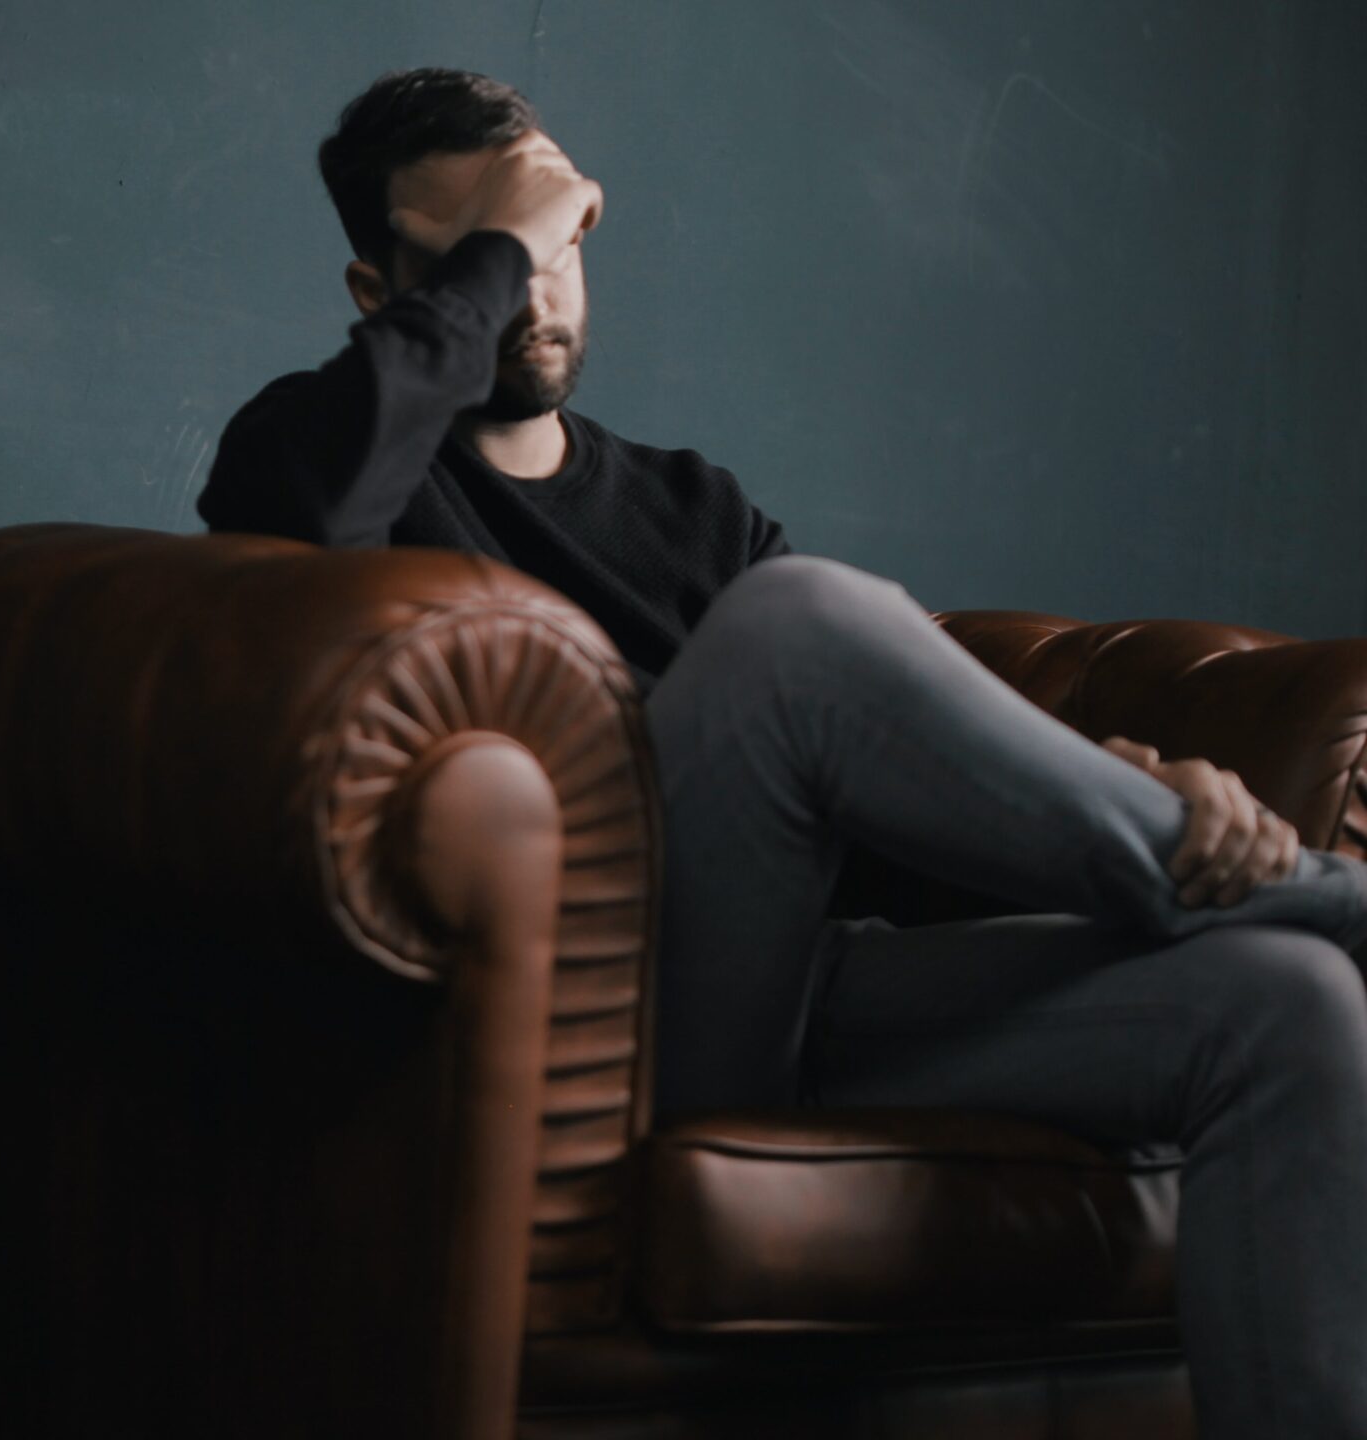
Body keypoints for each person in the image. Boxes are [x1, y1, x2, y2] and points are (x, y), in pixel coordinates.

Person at [196, 67, 1367, 1439]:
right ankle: (1315, 893)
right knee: (797, 625)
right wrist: (509, 242)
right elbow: (292, 523)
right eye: (483, 252)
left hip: (802, 994)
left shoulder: (697, 508)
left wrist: (1094, 786)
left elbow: (860, 799)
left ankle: (1256, 901)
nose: (535, 289)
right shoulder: (317, 453)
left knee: (1289, 1005)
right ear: (379, 291)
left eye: (560, 238)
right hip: (603, 1029)